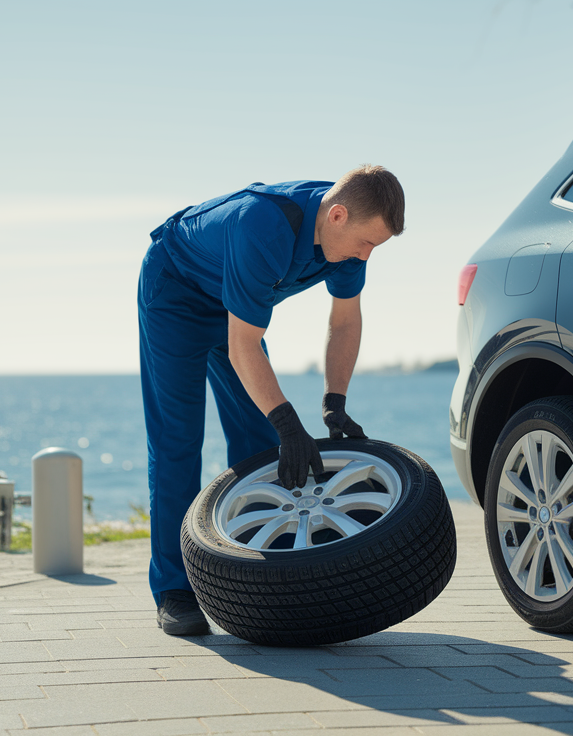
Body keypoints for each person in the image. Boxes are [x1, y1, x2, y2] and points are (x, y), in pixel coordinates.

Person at [137, 164, 405, 636]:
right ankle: (175, 591)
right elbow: (243, 345)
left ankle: (258, 572)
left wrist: (334, 400)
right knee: (178, 440)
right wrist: (289, 422)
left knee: (258, 441)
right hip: (175, 295)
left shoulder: (348, 240)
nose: (367, 255)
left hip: (236, 308)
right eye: (367, 243)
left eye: (376, 247)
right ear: (337, 216)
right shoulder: (263, 226)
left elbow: (345, 321)